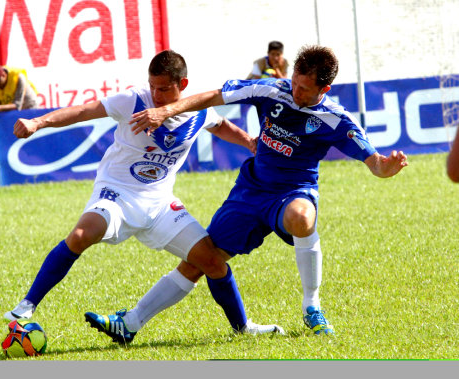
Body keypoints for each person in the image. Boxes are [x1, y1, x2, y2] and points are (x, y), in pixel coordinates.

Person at [126, 45, 408, 337]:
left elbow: (375, 163)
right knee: (204, 260)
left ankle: (312, 306)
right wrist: (168, 109)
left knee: (302, 217)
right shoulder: (272, 89)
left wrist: (386, 168)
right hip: (251, 190)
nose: (295, 92)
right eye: (295, 82)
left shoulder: (335, 119)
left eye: (304, 89)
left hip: (293, 191)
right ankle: (131, 322)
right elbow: (215, 96)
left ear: (325, 88)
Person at [4, 50, 284, 343]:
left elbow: (220, 126)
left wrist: (249, 141)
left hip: (160, 204)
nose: (156, 93)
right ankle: (28, 304)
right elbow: (84, 111)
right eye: (152, 86)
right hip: (117, 193)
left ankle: (242, 327)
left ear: (182, 84)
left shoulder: (199, 110)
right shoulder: (133, 100)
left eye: (163, 88)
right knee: (81, 234)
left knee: (212, 262)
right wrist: (39, 123)